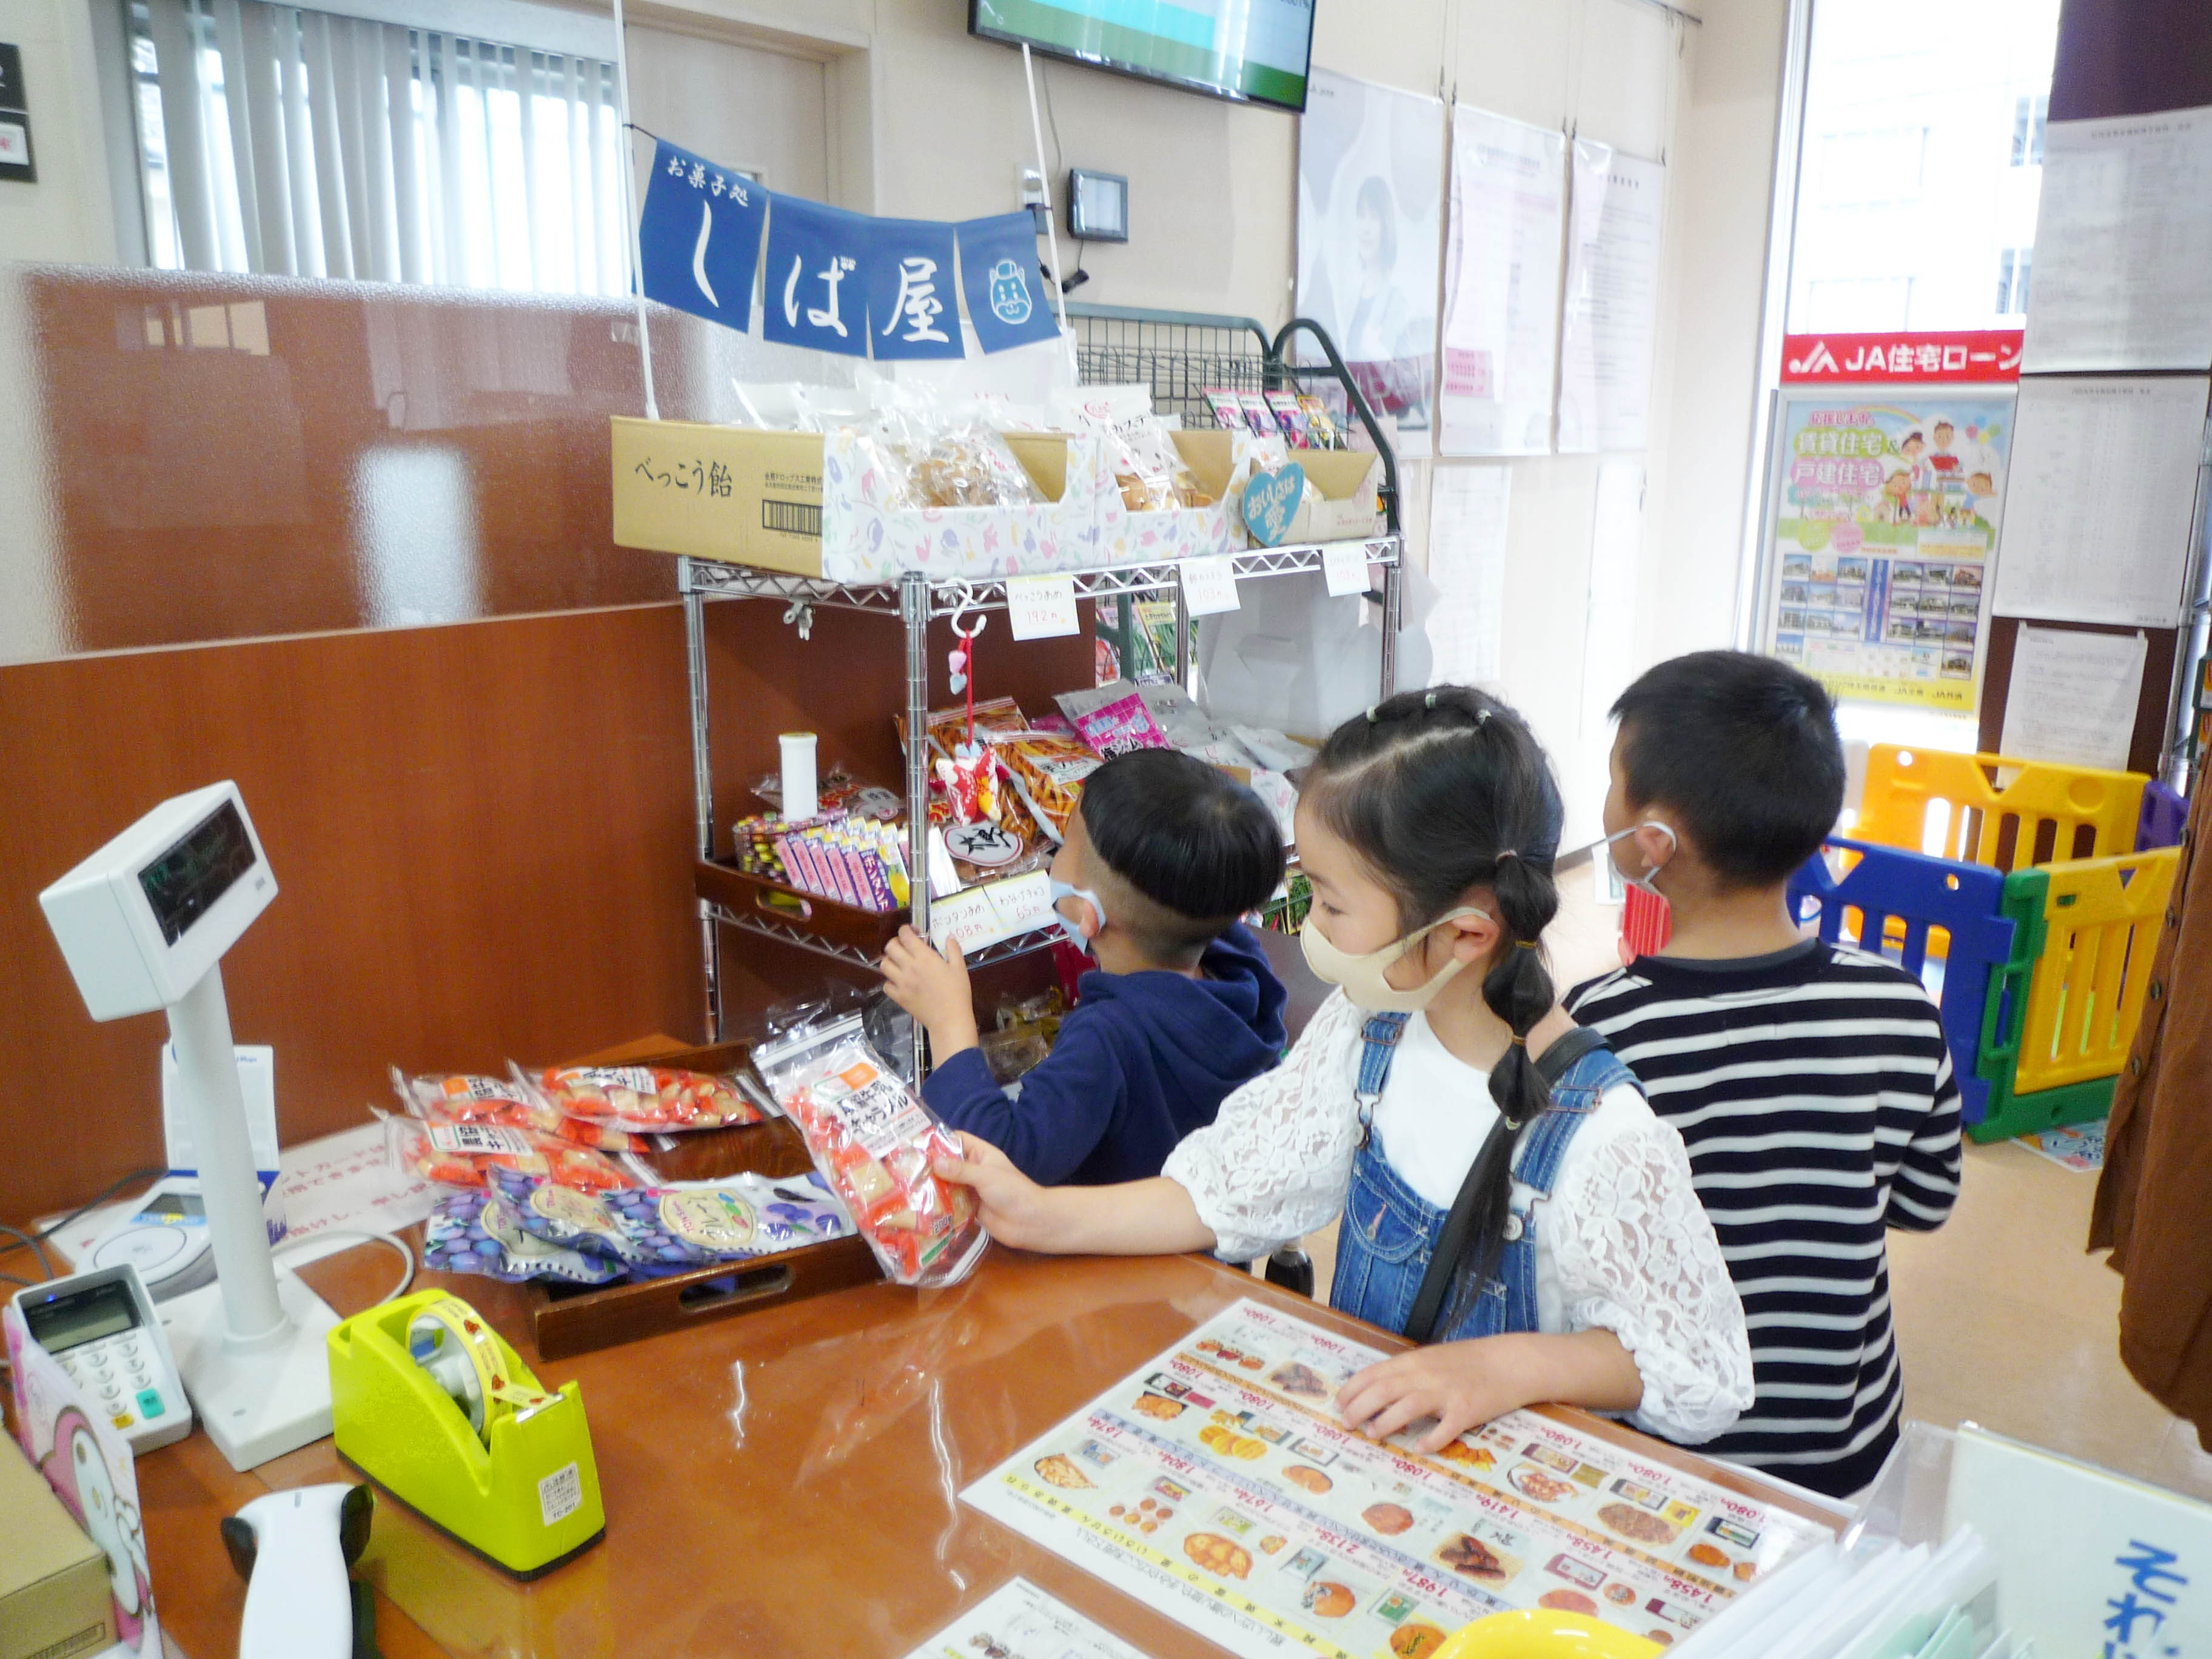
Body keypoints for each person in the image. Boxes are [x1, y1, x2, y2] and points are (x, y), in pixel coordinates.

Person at [936, 689, 1753, 1453]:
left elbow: (1700, 1373)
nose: (1312, 929)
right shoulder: (1372, 1029)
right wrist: (1040, 1215)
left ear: (1465, 934)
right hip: (1371, 1472)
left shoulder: (1603, 1137)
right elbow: (1227, 1187)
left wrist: (1509, 1369)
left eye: (1329, 904)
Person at [1569, 651, 1962, 1498]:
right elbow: (1926, 1203)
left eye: (1613, 779)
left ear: (1653, 840)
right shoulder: (1898, 1005)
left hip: (1663, 1438)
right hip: (1847, 1442)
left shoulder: (1601, 1026)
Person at [881, 748, 1288, 1187]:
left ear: (1088, 913)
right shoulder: (1242, 972)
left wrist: (949, 1027)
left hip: (1113, 1255)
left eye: (1066, 844)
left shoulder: (1108, 1039)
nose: (1056, 854)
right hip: (1198, 1248)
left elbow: (1007, 1161)